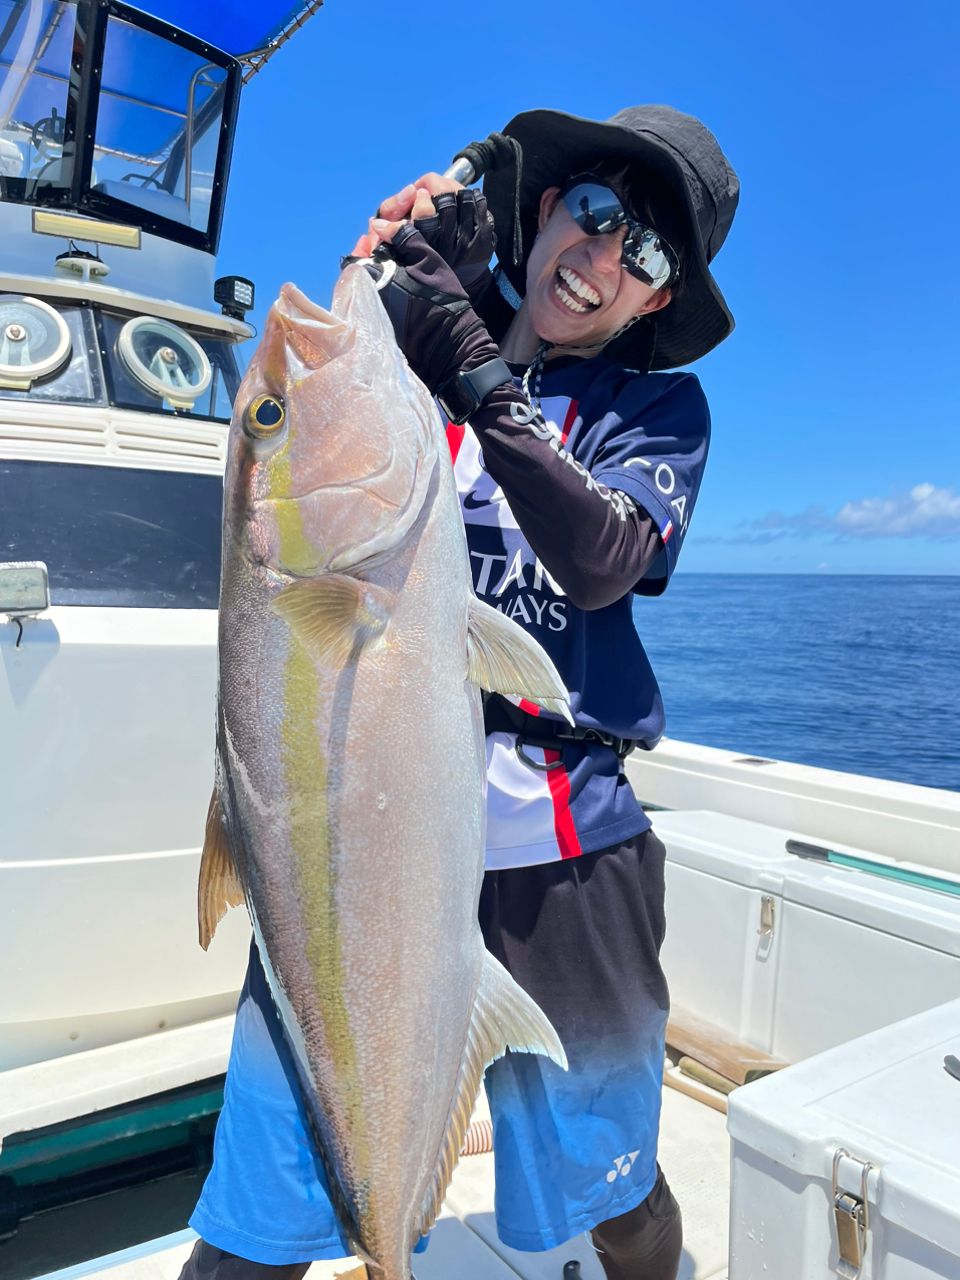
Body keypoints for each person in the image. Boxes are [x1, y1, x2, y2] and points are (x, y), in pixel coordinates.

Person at [179, 105, 739, 1280]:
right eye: (593, 216)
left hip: (565, 846)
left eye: (645, 255)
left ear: (656, 300)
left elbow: (601, 557)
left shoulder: (656, 414)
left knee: (616, 1182)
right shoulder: (422, 339)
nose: (601, 260)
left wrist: (479, 371)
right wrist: (387, 258)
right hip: (365, 832)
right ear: (542, 214)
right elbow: (330, 383)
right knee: (264, 1210)